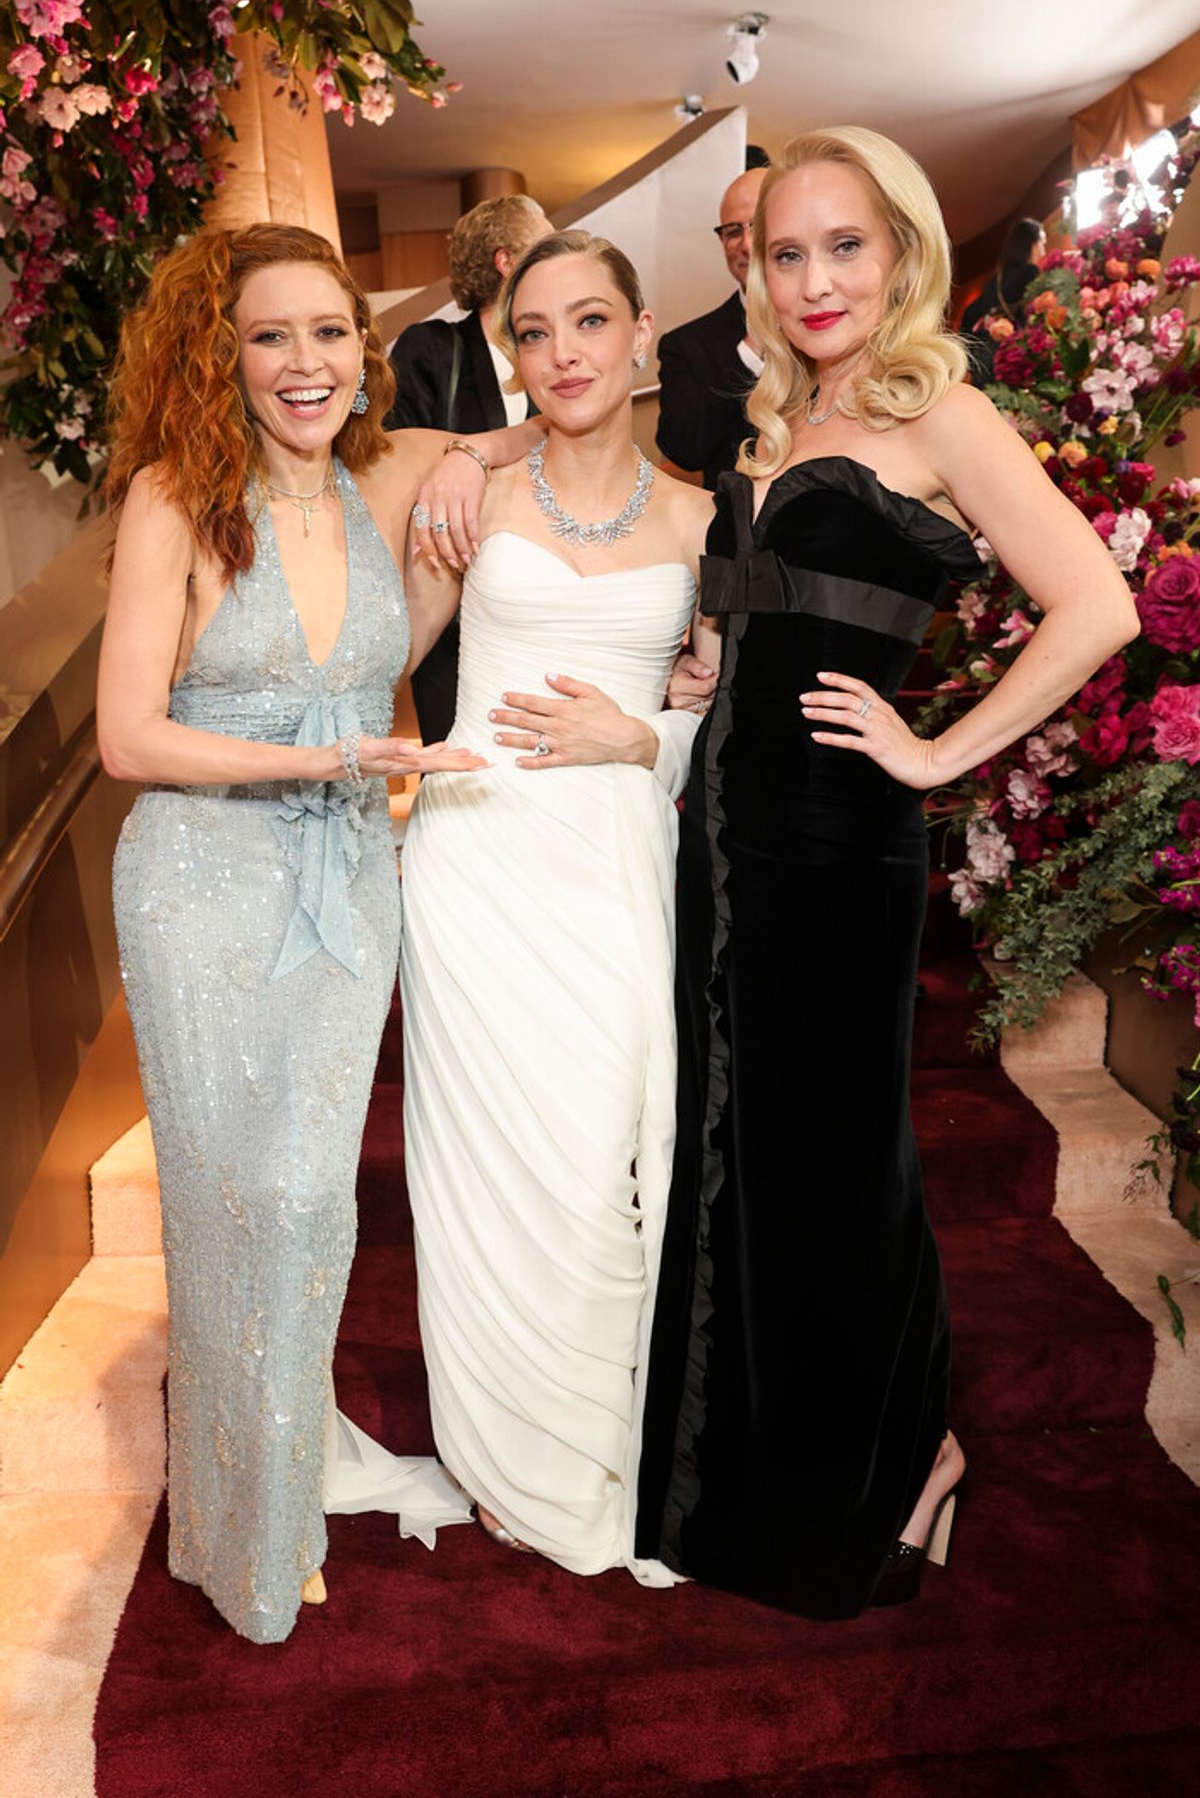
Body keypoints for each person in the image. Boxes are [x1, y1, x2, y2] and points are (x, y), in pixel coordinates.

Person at [636, 127, 1137, 1618]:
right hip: (723, 841)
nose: (815, 280)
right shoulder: (776, 419)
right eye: (786, 252)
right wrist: (704, 665)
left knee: (837, 1168)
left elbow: (1098, 604)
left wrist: (935, 754)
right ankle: (757, 1482)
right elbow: (772, 619)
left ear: (903, 250)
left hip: (836, 850)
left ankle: (910, 1455)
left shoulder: (943, 413)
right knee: (744, 1158)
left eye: (845, 247)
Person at [97, 222, 535, 1644]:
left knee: (310, 1203)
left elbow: (552, 429)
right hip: (200, 885)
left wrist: (471, 462)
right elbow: (125, 737)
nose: (306, 362)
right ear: (219, 355)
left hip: (347, 883)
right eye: (270, 335)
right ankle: (250, 1533)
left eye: (330, 331)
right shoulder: (176, 496)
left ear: (366, 346)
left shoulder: (389, 474)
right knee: (235, 1207)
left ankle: (263, 1491)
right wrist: (325, 760)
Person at [398, 229, 715, 1575]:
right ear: (511, 353)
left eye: (592, 321)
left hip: (614, 871)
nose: (565, 353)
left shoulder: (705, 519)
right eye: (534, 331)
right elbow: (386, 656)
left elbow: (726, 723)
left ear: (643, 334)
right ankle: (501, 1454)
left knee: (598, 1171)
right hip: (474, 865)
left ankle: (604, 1445)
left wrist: (646, 736)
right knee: (483, 1175)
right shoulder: (469, 492)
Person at [386, 194, 554, 743]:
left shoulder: (558, 356)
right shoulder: (432, 349)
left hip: (543, 603)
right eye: (545, 242)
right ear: (508, 261)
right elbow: (395, 462)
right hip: (451, 610)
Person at [655, 165, 767, 489]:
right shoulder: (686, 345)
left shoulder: (837, 321)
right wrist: (748, 354)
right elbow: (684, 451)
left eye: (759, 225)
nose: (747, 244)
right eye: (733, 231)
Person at [960, 216, 1046, 383]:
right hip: (1011, 358)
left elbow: (970, 313)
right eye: (1042, 242)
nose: (1044, 251)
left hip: (985, 359)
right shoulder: (1030, 272)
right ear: (1032, 244)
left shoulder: (995, 280)